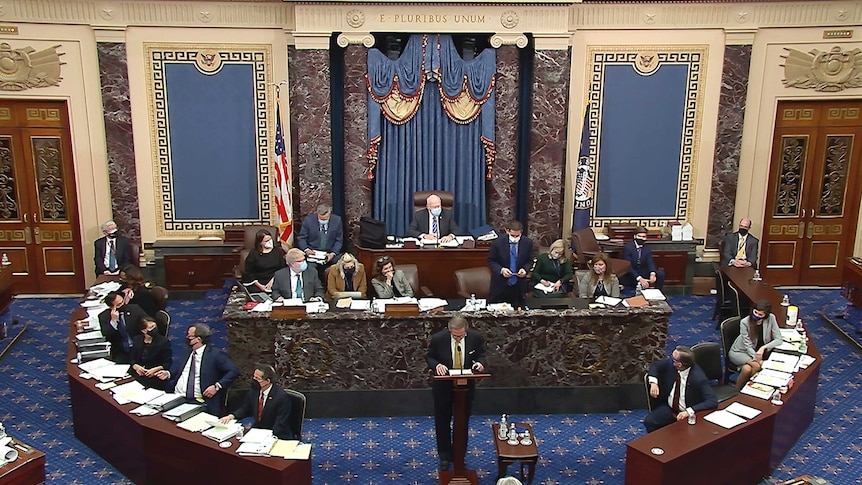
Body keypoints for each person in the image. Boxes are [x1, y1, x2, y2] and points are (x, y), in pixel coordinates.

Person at [426, 316, 486, 471]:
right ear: (449, 330)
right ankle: (445, 456)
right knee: (442, 421)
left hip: (465, 387)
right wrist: (437, 365)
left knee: (462, 421)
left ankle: (459, 455)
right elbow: (429, 357)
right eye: (455, 336)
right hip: (443, 386)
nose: (458, 338)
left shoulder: (475, 338)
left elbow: (481, 355)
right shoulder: (438, 339)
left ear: (466, 330)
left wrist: (480, 363)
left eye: (460, 336)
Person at [156, 323, 239, 415]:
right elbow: (180, 369)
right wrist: (168, 374)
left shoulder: (215, 354)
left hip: (198, 400)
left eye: (190, 336)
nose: (187, 337)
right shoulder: (186, 351)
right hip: (177, 396)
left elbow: (233, 371)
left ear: (198, 339)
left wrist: (217, 386)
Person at [644, 345, 717, 433]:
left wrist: (689, 411)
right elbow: (655, 366)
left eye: (673, 359)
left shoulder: (698, 378)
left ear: (679, 364)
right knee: (649, 421)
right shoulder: (671, 365)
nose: (671, 360)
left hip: (688, 414)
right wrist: (653, 383)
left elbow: (712, 400)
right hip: (670, 408)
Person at [219, 363, 294, 439]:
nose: (254, 380)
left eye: (257, 379)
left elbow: (280, 424)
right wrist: (231, 416)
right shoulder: (254, 391)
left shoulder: (281, 397)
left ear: (267, 381)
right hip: (258, 431)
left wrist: (267, 437)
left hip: (276, 435)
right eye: (254, 377)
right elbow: (245, 408)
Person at [729, 299, 783, 389]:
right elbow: (747, 345)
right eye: (755, 312)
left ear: (766, 315)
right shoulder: (745, 322)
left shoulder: (771, 318)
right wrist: (756, 357)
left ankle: (739, 391)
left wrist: (763, 347)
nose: (756, 316)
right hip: (739, 352)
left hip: (756, 352)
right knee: (757, 366)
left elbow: (779, 340)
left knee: (747, 369)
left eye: (760, 314)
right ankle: (751, 389)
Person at [488, 220, 533, 308]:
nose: (515, 238)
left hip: (518, 287)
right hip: (500, 286)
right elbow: (491, 260)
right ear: (507, 231)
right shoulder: (497, 243)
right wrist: (502, 270)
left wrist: (525, 269)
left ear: (521, 232)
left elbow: (530, 260)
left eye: (517, 236)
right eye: (512, 235)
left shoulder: (527, 243)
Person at [98, 290, 147, 364]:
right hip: (120, 351)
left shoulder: (134, 309)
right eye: (119, 304)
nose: (123, 305)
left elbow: (148, 322)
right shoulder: (103, 316)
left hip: (139, 347)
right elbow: (107, 336)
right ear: (111, 307)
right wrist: (113, 322)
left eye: (122, 302)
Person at [298, 204, 344, 280]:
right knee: (310, 268)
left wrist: (333, 253)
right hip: (313, 253)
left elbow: (339, 240)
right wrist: (306, 249)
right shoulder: (308, 220)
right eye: (321, 219)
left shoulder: (337, 220)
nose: (323, 221)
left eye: (325, 219)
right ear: (317, 214)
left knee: (342, 264)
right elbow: (301, 238)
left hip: (330, 252)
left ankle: (334, 289)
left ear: (329, 213)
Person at [129, 316, 172, 390]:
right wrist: (136, 366)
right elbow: (132, 358)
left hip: (155, 375)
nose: (154, 328)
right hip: (138, 374)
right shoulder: (137, 340)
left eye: (154, 326)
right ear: (144, 331)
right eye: (151, 327)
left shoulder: (163, 342)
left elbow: (167, 363)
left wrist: (155, 369)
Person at [621, 227, 664, 296]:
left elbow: (650, 262)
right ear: (635, 236)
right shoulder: (628, 247)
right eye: (639, 236)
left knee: (660, 274)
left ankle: (657, 295)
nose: (641, 238)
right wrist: (640, 279)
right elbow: (628, 266)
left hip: (641, 271)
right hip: (630, 273)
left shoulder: (647, 248)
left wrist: (652, 274)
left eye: (643, 237)